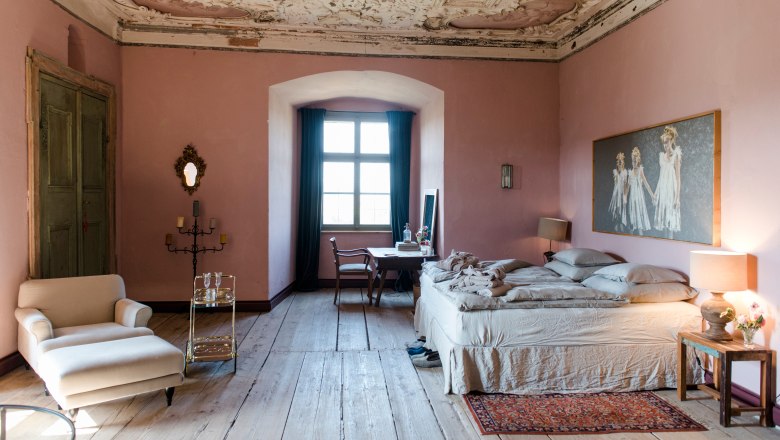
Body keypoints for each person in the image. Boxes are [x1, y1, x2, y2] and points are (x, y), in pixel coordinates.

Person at [653, 125, 682, 238]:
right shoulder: (661, 156)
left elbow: (678, 178)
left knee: (671, 222)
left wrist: (677, 198)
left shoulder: (676, 155)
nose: (665, 145)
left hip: (672, 191)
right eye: (664, 143)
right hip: (663, 192)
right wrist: (656, 192)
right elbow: (661, 177)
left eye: (667, 142)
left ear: (672, 141)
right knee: (664, 222)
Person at [624, 147, 655, 235]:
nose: (633, 163)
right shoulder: (630, 173)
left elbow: (646, 183)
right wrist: (624, 198)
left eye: (635, 161)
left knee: (639, 222)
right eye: (632, 161)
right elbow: (627, 188)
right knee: (632, 222)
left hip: (639, 199)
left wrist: (652, 195)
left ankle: (641, 237)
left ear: (638, 160)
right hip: (632, 200)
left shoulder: (640, 170)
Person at [608, 152, 628, 232]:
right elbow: (615, 183)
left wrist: (625, 196)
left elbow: (625, 185)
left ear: (623, 162)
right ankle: (616, 225)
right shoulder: (615, 171)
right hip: (616, 194)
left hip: (622, 193)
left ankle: (621, 225)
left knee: (621, 210)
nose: (620, 162)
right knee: (616, 210)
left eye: (621, 160)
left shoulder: (625, 172)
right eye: (618, 160)